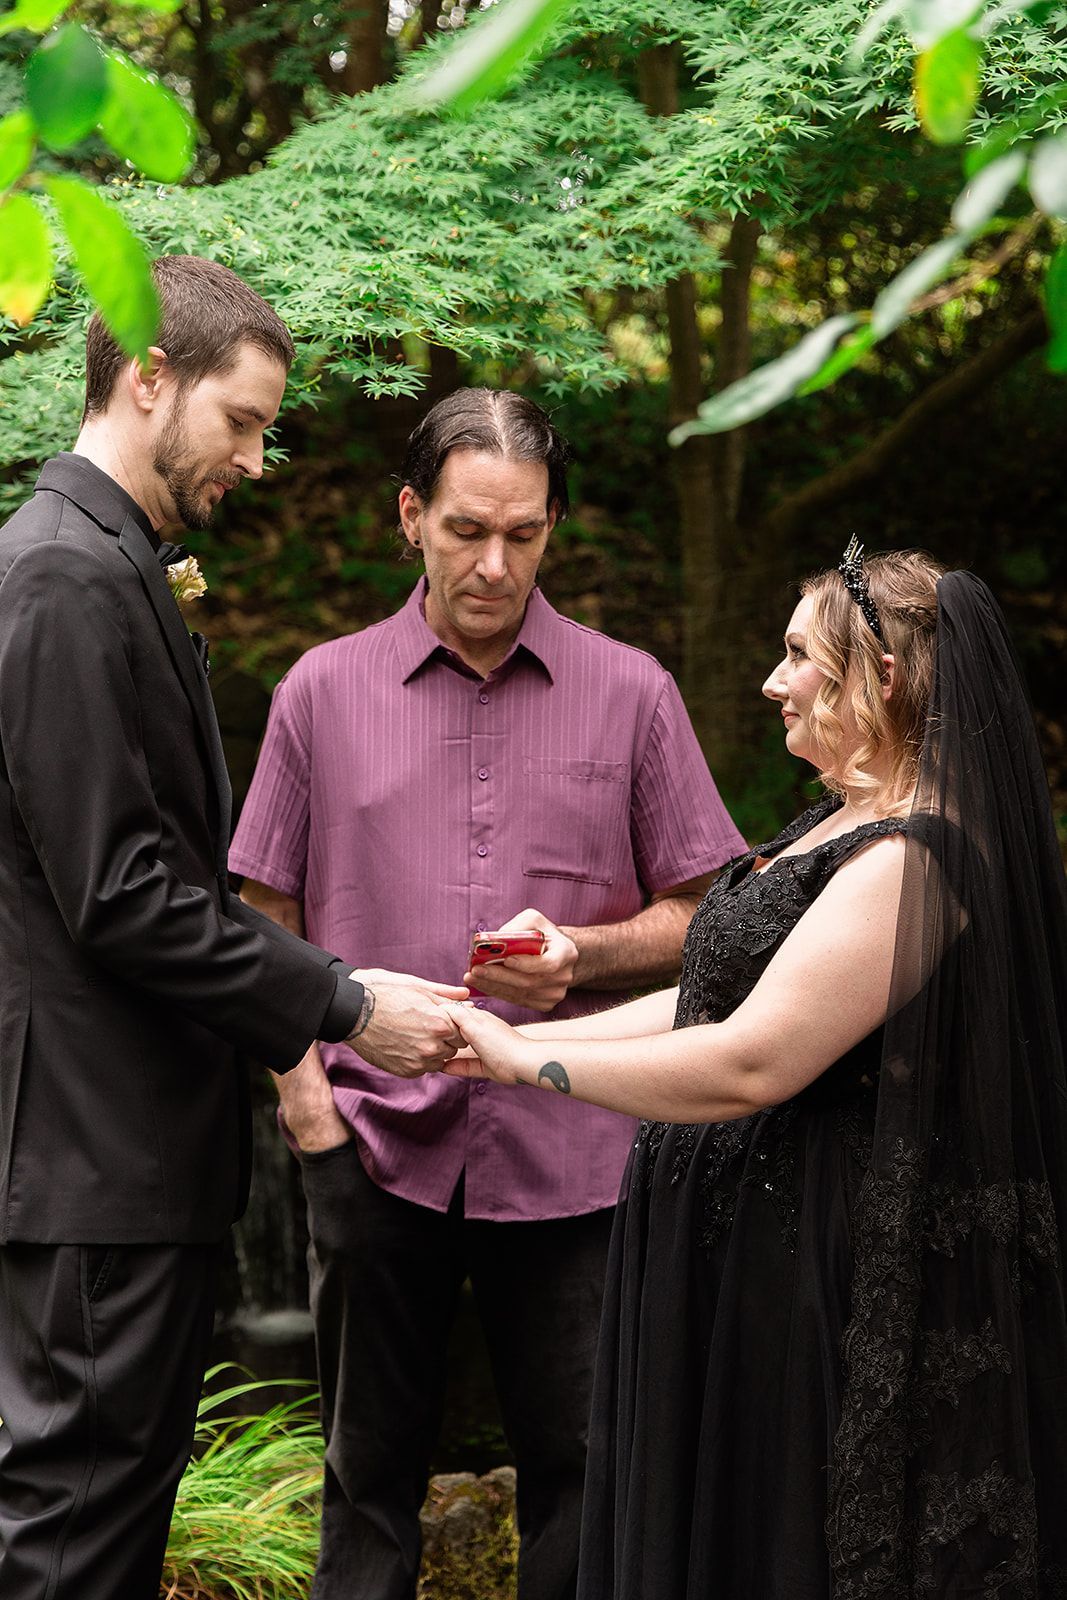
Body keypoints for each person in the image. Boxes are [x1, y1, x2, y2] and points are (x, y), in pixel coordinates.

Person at [444, 545, 1067, 1598]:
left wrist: (533, 1061)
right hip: (723, 1266)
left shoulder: (916, 858)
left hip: (804, 1275)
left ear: (879, 676)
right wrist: (503, 1036)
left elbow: (751, 1059)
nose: (772, 681)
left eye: (795, 656)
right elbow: (707, 1000)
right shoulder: (835, 820)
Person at [229, 387, 745, 1600]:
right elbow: (264, 915)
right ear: (411, 516)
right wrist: (307, 1110)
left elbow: (706, 920)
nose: (492, 561)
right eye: (465, 529)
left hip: (580, 1149)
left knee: (583, 1471)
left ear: (553, 527)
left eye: (521, 533)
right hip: (367, 1138)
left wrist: (583, 954)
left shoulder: (634, 695)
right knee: (367, 1476)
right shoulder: (318, 692)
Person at [0, 255, 465, 1600]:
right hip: (92, 1160)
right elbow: (119, 889)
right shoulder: (61, 579)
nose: (259, 460)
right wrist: (338, 999)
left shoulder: (110, 566)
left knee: (109, 1534)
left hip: (128, 1164)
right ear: (150, 377)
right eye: (243, 422)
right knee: (73, 1546)